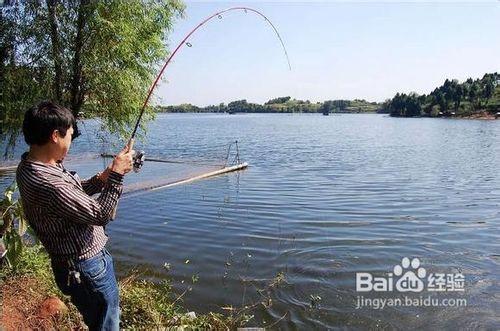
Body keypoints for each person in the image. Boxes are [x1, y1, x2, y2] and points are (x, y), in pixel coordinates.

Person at [16, 101, 135, 330]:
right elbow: (101, 214)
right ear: (55, 136)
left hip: (71, 266)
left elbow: (70, 195)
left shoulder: (30, 165)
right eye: (69, 135)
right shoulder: (49, 183)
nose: (70, 141)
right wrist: (118, 175)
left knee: (97, 320)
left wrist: (102, 178)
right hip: (87, 268)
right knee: (106, 324)